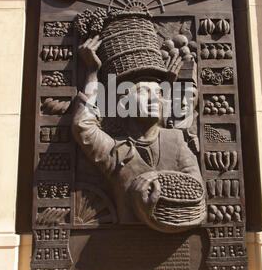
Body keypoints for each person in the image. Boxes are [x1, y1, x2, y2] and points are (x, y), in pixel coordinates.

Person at [72, 36, 205, 232]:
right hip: (124, 243)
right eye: (143, 92)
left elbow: (195, 187)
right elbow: (83, 125)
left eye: (158, 93)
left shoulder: (175, 141)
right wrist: (92, 73)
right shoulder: (116, 152)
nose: (153, 99)